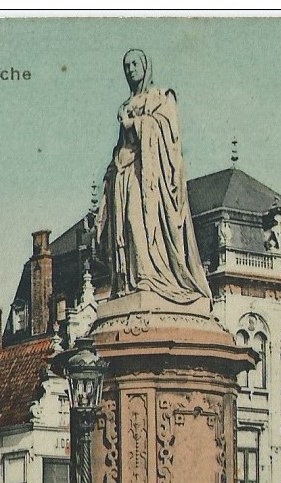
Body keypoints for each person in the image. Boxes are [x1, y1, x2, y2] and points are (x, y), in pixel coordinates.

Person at [96, 50, 212, 304]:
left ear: (146, 66)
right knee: (123, 228)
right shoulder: (125, 105)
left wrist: (134, 124)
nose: (130, 70)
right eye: (126, 66)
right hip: (123, 173)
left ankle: (148, 275)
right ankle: (129, 280)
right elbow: (119, 146)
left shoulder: (160, 97)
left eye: (135, 64)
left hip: (147, 174)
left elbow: (169, 136)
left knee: (136, 220)